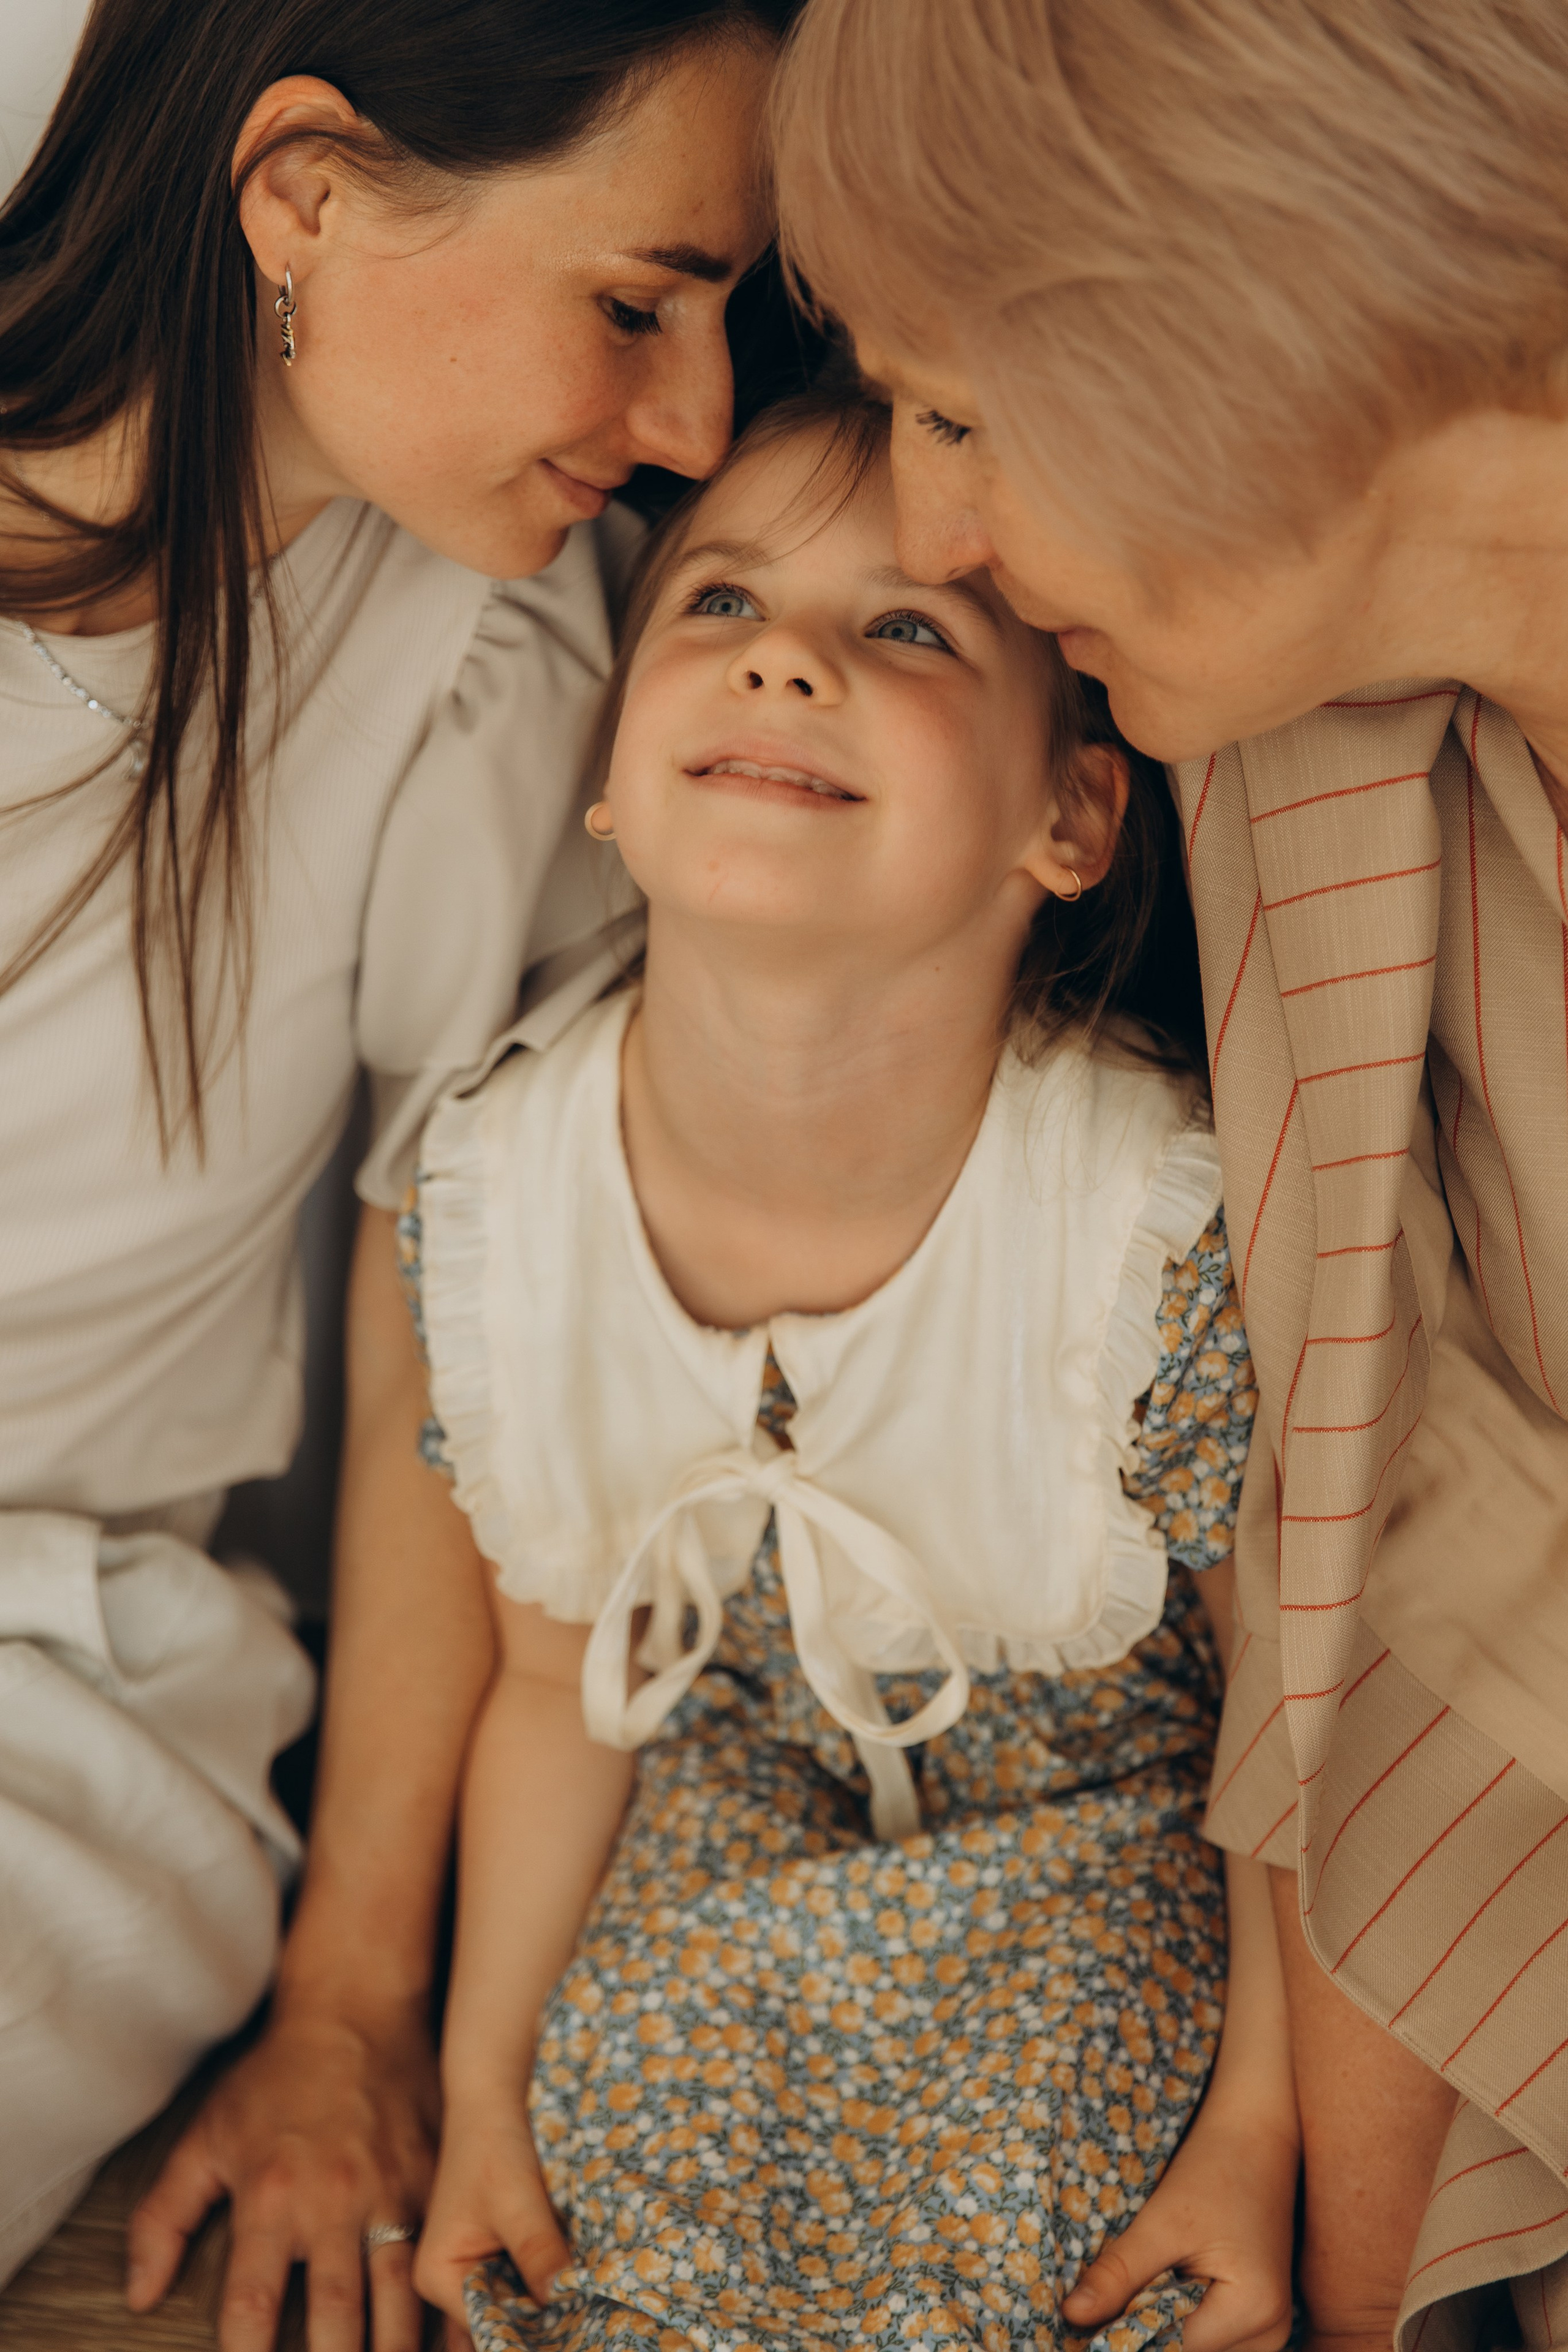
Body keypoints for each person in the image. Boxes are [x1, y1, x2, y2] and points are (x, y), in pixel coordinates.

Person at [769, 3, 1568, 2347]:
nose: (938, 535)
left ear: (1239, 311)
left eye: (954, 409)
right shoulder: (1299, 753)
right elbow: (1417, 1586)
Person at [0, 4, 798, 2345]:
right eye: (636, 303)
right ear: (306, 195)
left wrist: (354, 1997)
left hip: (55, 1656)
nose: (698, 427)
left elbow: (442, 1312)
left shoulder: (482, 660)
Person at [393, 387, 1294, 2352]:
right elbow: (559, 1685)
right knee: (621, 2199)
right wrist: (475, 2095)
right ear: (615, 775)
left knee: (1032, 2224)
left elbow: (1290, 1723)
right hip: (727, 1824)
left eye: (906, 631)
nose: (781, 653)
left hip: (1102, 1842)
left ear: (1072, 809)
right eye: (718, 601)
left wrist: (1265, 2133)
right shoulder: (503, 1199)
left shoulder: (1141, 1233)